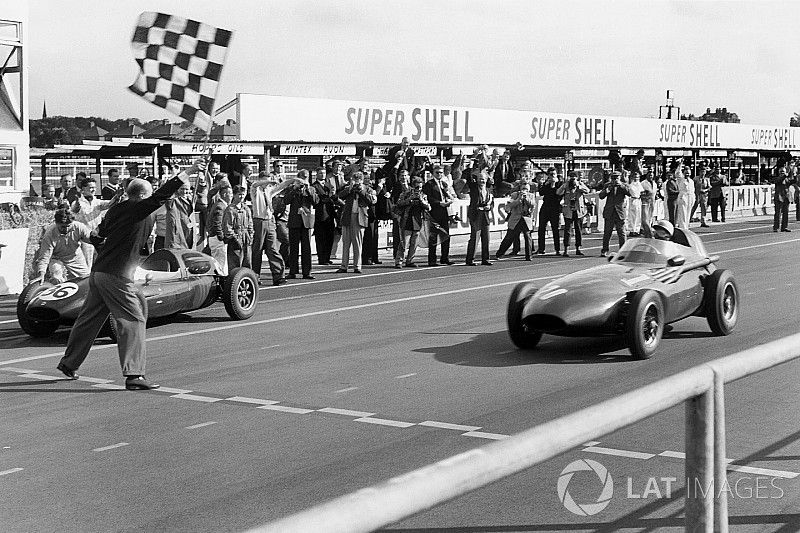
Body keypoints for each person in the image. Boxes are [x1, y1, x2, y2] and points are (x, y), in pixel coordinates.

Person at [56, 159, 207, 390]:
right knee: (134, 319)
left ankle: (69, 363)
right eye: (150, 194)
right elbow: (163, 194)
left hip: (99, 271)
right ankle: (134, 375)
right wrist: (190, 171)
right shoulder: (138, 209)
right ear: (143, 196)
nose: (154, 198)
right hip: (117, 275)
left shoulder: (116, 209)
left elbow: (97, 236)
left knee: (89, 319)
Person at [249, 171, 298, 286]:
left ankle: (278, 276)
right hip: (259, 221)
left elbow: (281, 186)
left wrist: (293, 180)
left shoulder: (268, 191)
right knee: (257, 250)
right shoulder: (256, 190)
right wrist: (269, 181)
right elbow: (255, 185)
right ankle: (255, 276)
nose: (268, 183)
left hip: (269, 220)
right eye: (265, 180)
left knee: (273, 249)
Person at [33, 208, 93, 283]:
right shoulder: (49, 234)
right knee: (56, 278)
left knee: (86, 280)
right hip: (57, 258)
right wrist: (41, 274)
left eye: (68, 226)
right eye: (63, 227)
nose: (66, 229)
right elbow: (44, 257)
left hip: (75, 257)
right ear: (56, 223)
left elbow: (91, 240)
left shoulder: (79, 227)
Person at [336, 171, 376, 274]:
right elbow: (339, 196)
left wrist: (361, 190)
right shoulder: (349, 188)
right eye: (355, 180)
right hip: (347, 217)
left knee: (357, 243)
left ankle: (357, 266)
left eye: (358, 181)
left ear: (362, 181)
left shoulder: (368, 189)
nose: (356, 183)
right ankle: (344, 266)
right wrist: (350, 188)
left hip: (360, 217)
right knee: (346, 243)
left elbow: (371, 201)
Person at [72, 176, 115, 266]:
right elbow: (75, 209)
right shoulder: (78, 202)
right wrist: (77, 202)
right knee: (87, 265)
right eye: (91, 187)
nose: (93, 190)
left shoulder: (97, 202)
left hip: (98, 238)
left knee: (100, 263)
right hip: (85, 240)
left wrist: (117, 196)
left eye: (94, 187)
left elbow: (110, 204)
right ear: (83, 189)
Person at [285, 169, 318, 279]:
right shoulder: (292, 189)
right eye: (302, 177)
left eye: (306, 177)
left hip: (306, 221)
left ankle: (307, 272)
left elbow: (316, 201)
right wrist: (295, 189)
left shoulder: (311, 189)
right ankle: (293, 271)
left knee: (306, 248)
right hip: (294, 221)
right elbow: (286, 201)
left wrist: (308, 189)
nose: (304, 179)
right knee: (293, 248)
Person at [394, 177, 431, 268]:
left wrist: (421, 200)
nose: (419, 189)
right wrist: (410, 199)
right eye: (417, 187)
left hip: (417, 221)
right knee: (404, 242)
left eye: (420, 187)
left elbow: (428, 207)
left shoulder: (423, 195)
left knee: (414, 243)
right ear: (413, 186)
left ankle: (410, 260)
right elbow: (399, 203)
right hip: (407, 220)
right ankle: (399, 261)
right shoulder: (405, 193)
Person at [422, 164, 454, 266]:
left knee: (446, 236)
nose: (439, 174)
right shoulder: (429, 184)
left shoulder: (444, 183)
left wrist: (449, 199)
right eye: (437, 173)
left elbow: (449, 194)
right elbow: (428, 198)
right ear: (433, 173)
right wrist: (439, 203)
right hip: (434, 214)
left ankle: (445, 258)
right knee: (433, 238)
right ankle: (432, 260)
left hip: (444, 213)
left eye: (441, 172)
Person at [496, 180, 535, 260]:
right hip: (515, 219)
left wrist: (526, 198)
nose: (525, 190)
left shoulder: (531, 196)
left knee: (527, 236)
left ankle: (529, 255)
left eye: (526, 188)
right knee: (509, 237)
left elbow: (532, 205)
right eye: (523, 187)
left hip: (526, 219)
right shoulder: (514, 195)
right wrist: (518, 200)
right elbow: (508, 206)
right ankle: (500, 253)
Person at [465, 169, 494, 266]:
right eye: (480, 179)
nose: (482, 181)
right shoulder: (474, 187)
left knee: (486, 238)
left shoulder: (489, 189)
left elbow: (492, 202)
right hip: (475, 214)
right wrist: (473, 167)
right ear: (477, 180)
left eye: (483, 179)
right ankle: (470, 259)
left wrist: (489, 207)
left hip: (485, 215)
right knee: (475, 238)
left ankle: (485, 259)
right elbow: (469, 177)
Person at [558, 171, 590, 256]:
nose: (572, 180)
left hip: (578, 210)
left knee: (578, 230)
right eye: (571, 178)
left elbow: (587, 191)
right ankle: (566, 249)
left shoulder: (580, 184)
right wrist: (564, 186)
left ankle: (578, 248)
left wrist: (578, 186)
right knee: (567, 230)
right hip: (568, 211)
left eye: (574, 178)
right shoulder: (566, 185)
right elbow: (558, 192)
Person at [599, 171, 630, 257]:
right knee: (607, 232)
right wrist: (607, 190)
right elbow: (601, 196)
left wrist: (621, 186)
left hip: (620, 212)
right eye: (613, 178)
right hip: (609, 212)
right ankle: (604, 250)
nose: (615, 180)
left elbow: (630, 193)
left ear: (620, 178)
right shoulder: (607, 185)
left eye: (616, 178)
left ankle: (622, 251)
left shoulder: (624, 185)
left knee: (622, 233)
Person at [222, 185, 254, 269]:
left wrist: (251, 235)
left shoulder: (246, 209)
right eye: (239, 194)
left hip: (246, 237)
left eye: (243, 194)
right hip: (235, 239)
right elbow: (227, 227)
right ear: (234, 195)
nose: (241, 196)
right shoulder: (230, 209)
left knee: (247, 262)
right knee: (235, 263)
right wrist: (235, 238)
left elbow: (250, 223)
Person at [207, 183, 232, 275]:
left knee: (221, 263)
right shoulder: (220, 206)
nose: (232, 196)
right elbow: (217, 223)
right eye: (230, 193)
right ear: (225, 194)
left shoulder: (219, 205)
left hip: (216, 238)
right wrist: (222, 237)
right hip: (217, 239)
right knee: (220, 265)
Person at [535, 167, 562, 255]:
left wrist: (553, 185)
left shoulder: (560, 183)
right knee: (541, 228)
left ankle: (557, 249)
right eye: (550, 174)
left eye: (554, 174)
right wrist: (546, 184)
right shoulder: (546, 183)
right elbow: (541, 192)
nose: (552, 176)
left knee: (555, 229)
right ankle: (541, 248)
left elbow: (558, 195)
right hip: (545, 207)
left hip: (555, 208)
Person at [164, 180, 196, 249]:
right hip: (177, 236)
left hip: (189, 235)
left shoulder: (191, 199)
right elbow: (168, 195)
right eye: (182, 189)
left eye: (186, 189)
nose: (184, 191)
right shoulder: (173, 201)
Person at [773, 165, 793, 232]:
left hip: (786, 197)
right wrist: (785, 175)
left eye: (783, 172)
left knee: (786, 213)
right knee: (778, 213)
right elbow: (779, 180)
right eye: (781, 172)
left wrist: (792, 171)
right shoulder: (777, 178)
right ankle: (776, 227)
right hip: (779, 197)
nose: (782, 173)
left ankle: (784, 227)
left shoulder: (787, 179)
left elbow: (792, 181)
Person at [674, 161, 692, 229]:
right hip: (683, 197)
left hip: (690, 198)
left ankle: (686, 227)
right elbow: (677, 173)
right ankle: (683, 228)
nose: (687, 174)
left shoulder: (691, 181)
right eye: (686, 173)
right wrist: (680, 165)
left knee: (688, 214)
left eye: (688, 173)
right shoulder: (681, 179)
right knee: (682, 214)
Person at [639, 169, 656, 238]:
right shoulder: (643, 183)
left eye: (651, 175)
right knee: (645, 215)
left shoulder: (654, 183)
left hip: (652, 200)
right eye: (649, 175)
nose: (650, 176)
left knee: (650, 215)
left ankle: (649, 227)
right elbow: (641, 192)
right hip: (645, 201)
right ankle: (643, 229)